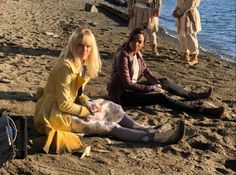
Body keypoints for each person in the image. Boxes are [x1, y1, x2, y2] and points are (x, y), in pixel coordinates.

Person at [33, 28, 185, 154]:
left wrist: (88, 102)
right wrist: (88, 112)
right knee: (108, 125)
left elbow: (78, 94)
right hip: (55, 115)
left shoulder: (80, 64)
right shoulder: (65, 68)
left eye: (88, 46)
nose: (84, 50)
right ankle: (153, 137)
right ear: (72, 45)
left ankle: (146, 129)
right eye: (80, 45)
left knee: (112, 106)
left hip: (66, 107)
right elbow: (64, 104)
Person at [107, 28, 225, 118]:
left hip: (132, 88)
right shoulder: (123, 55)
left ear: (143, 44)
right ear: (130, 38)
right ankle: (202, 110)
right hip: (122, 95)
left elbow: (146, 72)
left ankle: (192, 95)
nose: (136, 43)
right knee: (161, 97)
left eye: (139, 42)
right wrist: (152, 89)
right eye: (133, 39)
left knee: (164, 81)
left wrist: (157, 84)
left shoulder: (137, 53)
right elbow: (127, 84)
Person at [172, 0, 201, 65]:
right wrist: (175, 10)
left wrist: (179, 12)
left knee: (190, 36)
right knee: (181, 35)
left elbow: (189, 5)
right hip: (181, 16)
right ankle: (185, 54)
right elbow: (178, 3)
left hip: (190, 15)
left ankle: (194, 57)